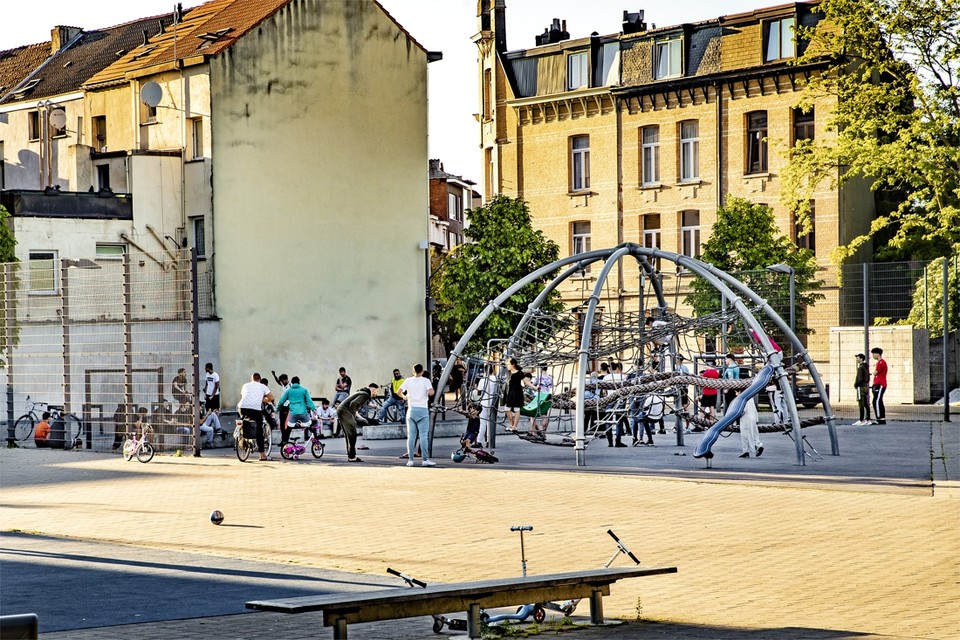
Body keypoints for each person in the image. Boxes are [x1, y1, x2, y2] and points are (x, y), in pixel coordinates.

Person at [397, 363, 436, 466]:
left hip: (411, 410)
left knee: (411, 436)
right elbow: (431, 392)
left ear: (413, 371)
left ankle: (410, 460)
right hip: (423, 409)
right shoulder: (426, 381)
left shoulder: (408, 380)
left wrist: (405, 397)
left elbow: (399, 391)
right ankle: (425, 460)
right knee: (423, 436)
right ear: (422, 371)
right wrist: (429, 392)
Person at [336, 383, 377, 462]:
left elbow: (354, 405)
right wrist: (353, 415)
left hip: (341, 410)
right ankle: (352, 456)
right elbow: (353, 404)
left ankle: (351, 456)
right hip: (345, 411)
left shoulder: (361, 393)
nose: (377, 393)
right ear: (373, 390)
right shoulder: (365, 395)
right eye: (377, 391)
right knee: (352, 433)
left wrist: (359, 417)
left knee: (348, 434)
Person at [238, 372, 273, 461]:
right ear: (260, 379)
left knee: (244, 420)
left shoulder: (245, 385)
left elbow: (244, 396)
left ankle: (241, 433)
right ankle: (262, 455)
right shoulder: (262, 386)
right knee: (259, 431)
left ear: (251, 379)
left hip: (242, 407)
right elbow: (271, 398)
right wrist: (264, 399)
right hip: (255, 409)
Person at [276, 376, 316, 443]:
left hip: (293, 414)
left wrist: (278, 408)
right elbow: (309, 401)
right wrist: (313, 409)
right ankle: (315, 441)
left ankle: (284, 442)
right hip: (303, 413)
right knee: (310, 425)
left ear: (291, 382)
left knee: (288, 428)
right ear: (299, 382)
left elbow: (281, 401)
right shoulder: (304, 390)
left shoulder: (289, 391)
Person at [504, 358, 533, 433]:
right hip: (510, 393)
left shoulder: (519, 373)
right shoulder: (509, 373)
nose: (507, 366)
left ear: (513, 364)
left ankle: (515, 426)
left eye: (508, 364)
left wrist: (535, 387)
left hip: (517, 393)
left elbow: (526, 381)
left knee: (517, 409)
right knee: (507, 409)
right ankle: (512, 424)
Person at [476, 365, 499, 447]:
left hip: (484, 403)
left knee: (483, 423)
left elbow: (479, 392)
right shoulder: (495, 379)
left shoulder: (483, 380)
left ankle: (479, 441)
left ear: (485, 371)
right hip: (492, 403)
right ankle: (489, 441)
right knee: (490, 423)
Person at [530, 365, 554, 435]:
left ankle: (533, 432)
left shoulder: (538, 376)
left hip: (539, 396)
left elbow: (534, 385)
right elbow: (551, 387)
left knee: (533, 414)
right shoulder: (550, 377)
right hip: (547, 396)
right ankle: (543, 433)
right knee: (544, 415)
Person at [738, 393, 764, 458]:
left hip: (745, 418)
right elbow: (755, 410)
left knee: (745, 435)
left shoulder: (743, 399)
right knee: (754, 434)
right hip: (753, 418)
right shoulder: (750, 398)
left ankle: (746, 451)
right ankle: (758, 445)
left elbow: (742, 411)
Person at [698, 360, 720, 428]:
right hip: (714, 393)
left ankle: (700, 424)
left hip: (706, 393)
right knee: (712, 408)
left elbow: (702, 383)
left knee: (702, 409)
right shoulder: (716, 373)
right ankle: (711, 423)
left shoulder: (705, 373)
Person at [852, 353, 872, 425]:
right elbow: (868, 378)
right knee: (866, 403)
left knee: (861, 403)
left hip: (860, 387)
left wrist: (856, 384)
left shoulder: (860, 368)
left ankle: (861, 420)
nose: (856, 359)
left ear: (861, 359)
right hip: (865, 387)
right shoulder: (866, 367)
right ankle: (868, 419)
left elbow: (859, 378)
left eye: (857, 358)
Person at [271, 371, 291, 439]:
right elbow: (278, 381)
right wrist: (274, 375)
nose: (281, 383)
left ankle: (286, 439)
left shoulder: (291, 386)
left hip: (287, 407)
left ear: (286, 380)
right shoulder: (283, 385)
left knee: (286, 424)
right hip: (282, 406)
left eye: (282, 381)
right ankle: (283, 440)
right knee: (282, 424)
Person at [870, 347, 887, 425]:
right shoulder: (880, 362)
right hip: (879, 384)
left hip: (880, 384)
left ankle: (879, 418)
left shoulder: (881, 363)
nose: (873, 355)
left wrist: (872, 373)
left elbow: (876, 372)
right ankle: (882, 418)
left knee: (876, 401)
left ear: (878, 354)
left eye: (873, 354)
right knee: (879, 400)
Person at [722, 353, 740, 418]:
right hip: (736, 388)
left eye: (726, 359)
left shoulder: (731, 367)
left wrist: (726, 389)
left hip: (730, 390)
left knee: (729, 407)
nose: (725, 361)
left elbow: (730, 379)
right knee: (735, 406)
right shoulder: (736, 366)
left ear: (729, 359)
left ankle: (729, 423)